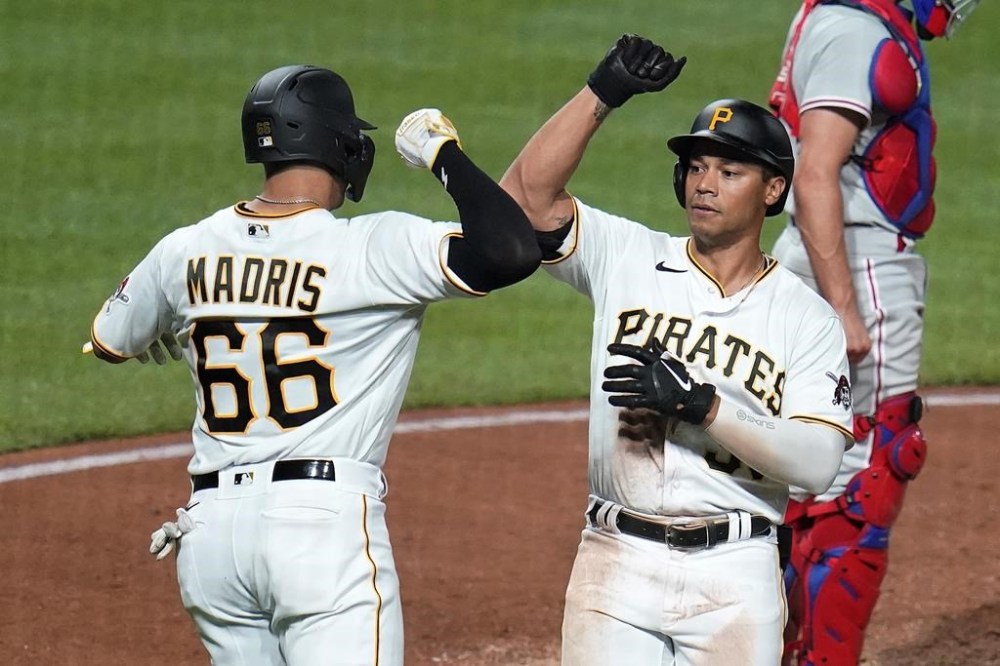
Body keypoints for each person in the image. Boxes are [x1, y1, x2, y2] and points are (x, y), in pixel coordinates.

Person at [87, 64, 540, 665]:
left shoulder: (184, 249)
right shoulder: (369, 248)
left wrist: (181, 319)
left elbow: (110, 338)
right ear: (339, 144)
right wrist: (442, 153)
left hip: (210, 539)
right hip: (319, 534)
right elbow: (511, 250)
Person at [500, 34, 853, 664]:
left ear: (773, 190)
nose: (704, 185)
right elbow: (523, 202)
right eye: (695, 168)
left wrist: (703, 407)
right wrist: (602, 93)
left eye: (729, 172)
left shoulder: (806, 318)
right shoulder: (628, 257)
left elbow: (818, 462)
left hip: (736, 574)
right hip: (616, 561)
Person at [767, 1, 980, 662]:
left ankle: (773, 647)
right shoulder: (856, 28)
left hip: (827, 251)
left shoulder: (844, 16)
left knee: (804, 477)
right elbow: (814, 174)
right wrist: (844, 305)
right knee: (868, 475)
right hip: (854, 260)